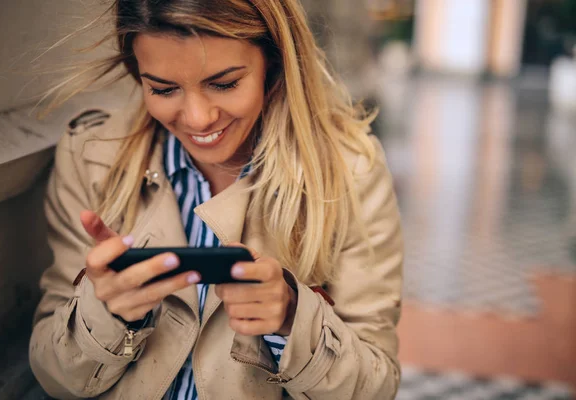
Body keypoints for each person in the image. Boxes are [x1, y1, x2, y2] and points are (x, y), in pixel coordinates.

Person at [28, 0, 404, 399]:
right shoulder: (91, 156)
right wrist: (106, 314)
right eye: (163, 88)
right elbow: (56, 377)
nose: (197, 118)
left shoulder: (350, 171)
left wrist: (293, 319)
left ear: (273, 62)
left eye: (224, 83)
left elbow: (375, 387)